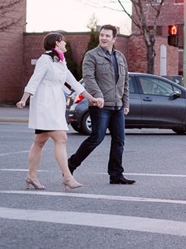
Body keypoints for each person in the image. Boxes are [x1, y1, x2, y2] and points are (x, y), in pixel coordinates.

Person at [16, 32, 101, 191]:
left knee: (39, 142)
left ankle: (31, 176)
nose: (65, 44)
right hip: (44, 104)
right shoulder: (45, 59)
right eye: (63, 42)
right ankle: (68, 177)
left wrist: (91, 98)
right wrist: (24, 98)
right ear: (56, 43)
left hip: (55, 103)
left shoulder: (61, 61)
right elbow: (34, 80)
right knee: (61, 138)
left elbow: (74, 82)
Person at [68, 24, 135, 185]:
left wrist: (125, 102)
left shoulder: (120, 57)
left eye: (107, 36)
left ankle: (116, 175)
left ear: (114, 38)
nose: (103, 38)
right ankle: (71, 165)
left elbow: (124, 81)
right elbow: (89, 78)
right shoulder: (91, 56)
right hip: (100, 106)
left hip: (117, 106)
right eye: (102, 35)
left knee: (119, 141)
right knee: (96, 138)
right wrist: (97, 96)